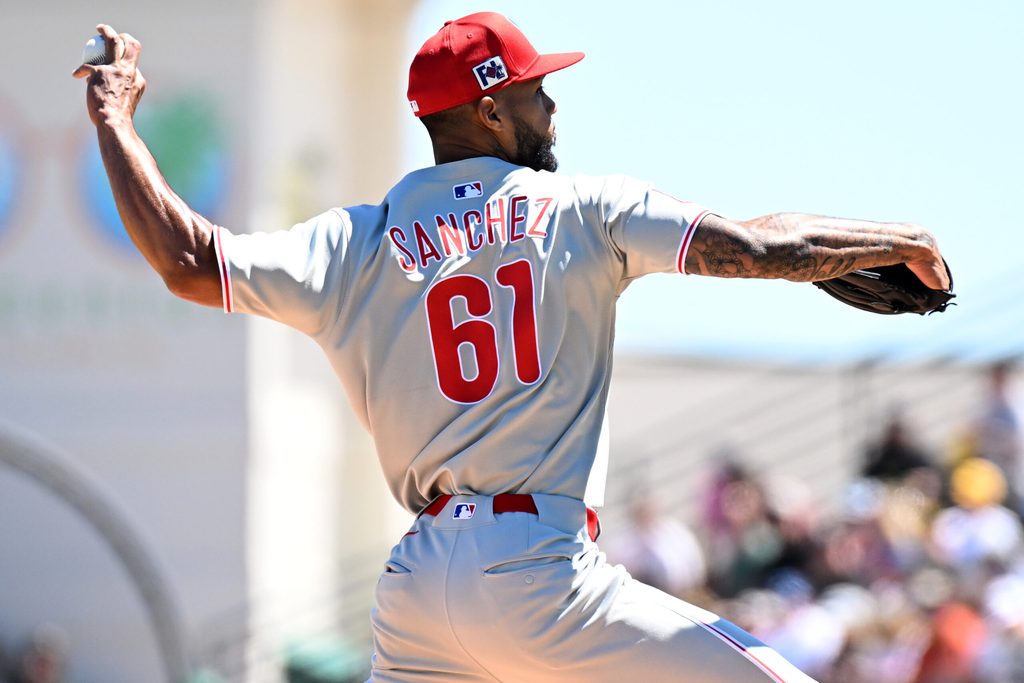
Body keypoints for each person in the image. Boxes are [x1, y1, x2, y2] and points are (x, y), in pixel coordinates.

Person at [73, 13, 950, 683]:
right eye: (535, 90)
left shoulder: (357, 240)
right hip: (539, 572)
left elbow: (189, 261)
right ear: (490, 111)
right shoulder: (580, 209)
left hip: (416, 587)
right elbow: (761, 248)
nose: (551, 103)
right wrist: (897, 236)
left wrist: (114, 121)